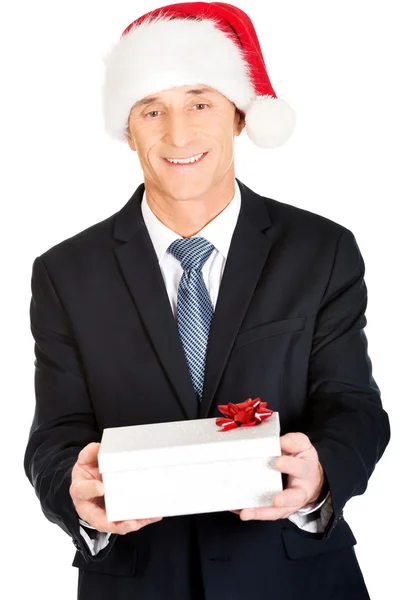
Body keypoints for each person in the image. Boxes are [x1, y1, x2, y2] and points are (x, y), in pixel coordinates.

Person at [24, 3, 390, 599]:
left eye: (200, 102)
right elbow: (56, 432)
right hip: (139, 581)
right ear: (128, 128)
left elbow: (352, 406)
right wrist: (74, 489)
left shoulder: (321, 251)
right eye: (152, 110)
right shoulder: (65, 273)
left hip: (294, 578)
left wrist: (321, 473)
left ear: (239, 116)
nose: (178, 134)